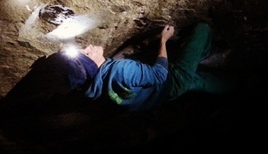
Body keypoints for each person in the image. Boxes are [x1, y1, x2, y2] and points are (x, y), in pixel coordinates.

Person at [60, 22, 236, 113]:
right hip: (170, 80)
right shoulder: (122, 70)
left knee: (199, 81)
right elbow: (160, 74)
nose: (88, 46)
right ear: (92, 65)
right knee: (202, 29)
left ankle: (232, 85)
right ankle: (210, 58)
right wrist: (163, 40)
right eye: (87, 53)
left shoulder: (94, 90)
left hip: (160, 97)